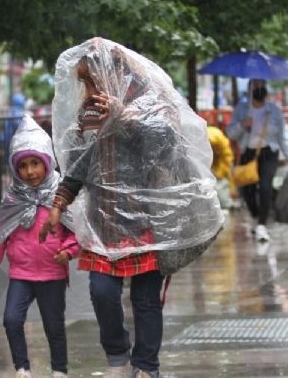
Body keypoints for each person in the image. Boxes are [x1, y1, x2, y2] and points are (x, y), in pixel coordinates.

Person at [41, 38, 222, 378]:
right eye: (86, 83)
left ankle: (146, 366)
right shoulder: (90, 111)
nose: (90, 89)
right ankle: (117, 355)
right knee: (102, 293)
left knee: (146, 300)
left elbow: (164, 147)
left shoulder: (150, 102)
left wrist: (122, 116)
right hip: (104, 226)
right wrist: (60, 201)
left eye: (93, 80)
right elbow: (80, 161)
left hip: (147, 221)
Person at [0, 116, 81, 378]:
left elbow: (76, 231)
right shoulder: (13, 198)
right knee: (11, 320)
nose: (30, 171)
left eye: (35, 163)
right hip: (21, 274)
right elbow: (0, 232)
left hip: (52, 274)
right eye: (24, 166)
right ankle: (22, 367)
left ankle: (59, 369)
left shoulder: (59, 197)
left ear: (47, 162)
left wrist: (68, 251)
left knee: (54, 325)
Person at [226, 79, 288, 242]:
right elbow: (230, 133)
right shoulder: (242, 109)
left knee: (265, 187)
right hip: (247, 153)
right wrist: (243, 125)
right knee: (247, 191)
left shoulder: (273, 110)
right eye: (255, 86)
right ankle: (257, 216)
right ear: (250, 89)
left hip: (269, 152)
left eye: (261, 85)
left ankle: (262, 224)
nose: (259, 88)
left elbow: (282, 135)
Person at [207, 125, 235, 209]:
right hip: (212, 165)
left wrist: (219, 173)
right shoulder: (214, 138)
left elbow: (226, 159)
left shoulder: (219, 142)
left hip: (217, 165)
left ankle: (225, 204)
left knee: (222, 186)